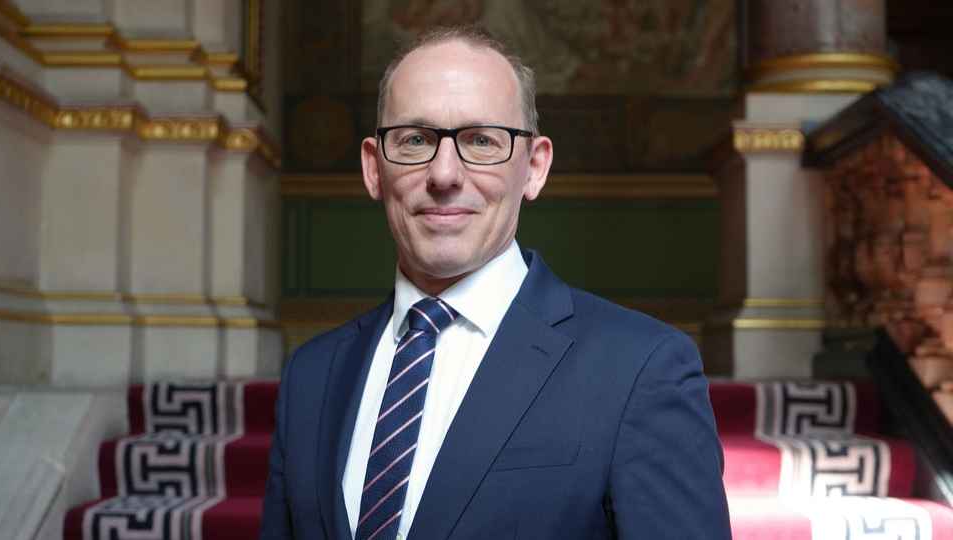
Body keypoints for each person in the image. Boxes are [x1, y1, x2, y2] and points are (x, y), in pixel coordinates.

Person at [260, 25, 731, 540]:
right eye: (415, 140)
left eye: (481, 141)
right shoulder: (312, 376)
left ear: (534, 168)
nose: (444, 174)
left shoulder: (641, 369)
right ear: (374, 168)